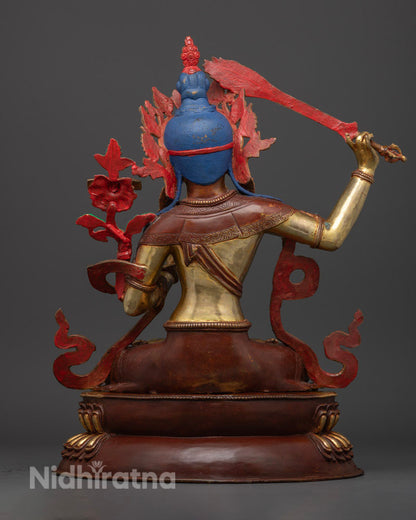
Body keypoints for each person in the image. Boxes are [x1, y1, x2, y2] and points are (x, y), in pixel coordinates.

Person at [107, 39, 379, 394]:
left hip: (176, 351)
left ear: (172, 164)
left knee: (124, 370)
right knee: (289, 368)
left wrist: (166, 278)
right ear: (233, 154)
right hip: (239, 346)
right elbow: (331, 235)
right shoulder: (259, 211)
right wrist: (365, 168)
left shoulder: (164, 225)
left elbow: (134, 306)